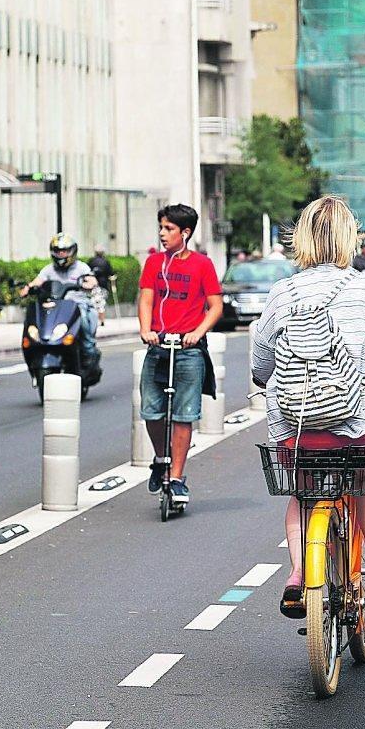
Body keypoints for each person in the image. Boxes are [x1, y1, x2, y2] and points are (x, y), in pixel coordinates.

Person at [251, 196, 365, 612]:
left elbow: (261, 361)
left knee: (301, 493)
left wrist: (263, 380)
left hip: (297, 431)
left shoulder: (283, 291)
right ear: (349, 238)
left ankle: (299, 574)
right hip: (360, 428)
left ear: (301, 239)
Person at [138, 203, 223, 504]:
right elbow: (147, 299)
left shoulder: (202, 265)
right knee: (151, 410)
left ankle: (176, 477)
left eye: (169, 229)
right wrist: (146, 330)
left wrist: (197, 333)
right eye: (161, 228)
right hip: (157, 346)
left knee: (184, 415)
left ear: (185, 233)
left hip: (189, 351)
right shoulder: (153, 263)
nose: (162, 234)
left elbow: (215, 306)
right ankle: (161, 458)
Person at [20, 233, 100, 367]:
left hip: (77, 305)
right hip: (56, 306)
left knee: (84, 319)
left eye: (65, 251)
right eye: (58, 251)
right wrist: (28, 288)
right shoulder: (49, 269)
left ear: (73, 251)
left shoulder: (81, 267)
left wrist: (88, 284)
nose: (61, 254)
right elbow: (38, 281)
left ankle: (88, 351)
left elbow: (92, 280)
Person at [88, 244, 115, 325]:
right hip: (103, 285)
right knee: (101, 303)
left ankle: (95, 319)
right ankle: (102, 320)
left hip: (93, 285)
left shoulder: (91, 261)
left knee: (94, 302)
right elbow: (110, 273)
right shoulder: (106, 262)